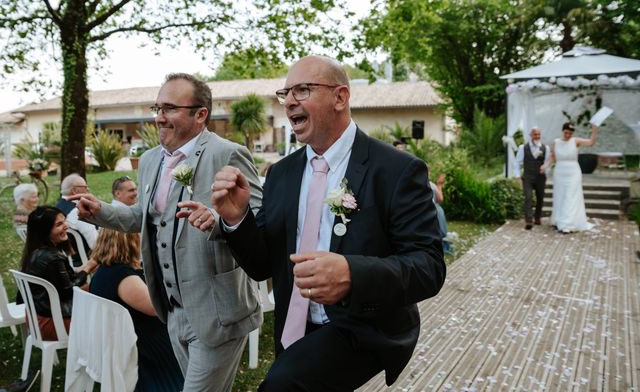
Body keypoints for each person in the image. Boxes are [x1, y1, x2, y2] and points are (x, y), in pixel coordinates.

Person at [212, 55, 446, 391]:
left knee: (279, 387)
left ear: (340, 97)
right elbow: (262, 265)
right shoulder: (281, 174)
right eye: (286, 93)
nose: (290, 100)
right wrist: (236, 219)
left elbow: (429, 267)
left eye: (303, 90)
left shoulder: (396, 170)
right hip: (293, 328)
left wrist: (352, 274)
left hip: (362, 327)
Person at [73, 73, 263, 392]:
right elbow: (143, 218)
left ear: (200, 114)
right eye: (158, 107)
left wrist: (218, 220)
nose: (160, 117)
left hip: (218, 312)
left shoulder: (226, 154)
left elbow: (259, 219)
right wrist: (101, 212)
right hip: (172, 310)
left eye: (171, 108)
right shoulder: (150, 161)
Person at [89, 228, 184, 392]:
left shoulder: (105, 270)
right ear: (130, 242)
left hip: (125, 338)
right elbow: (157, 308)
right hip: (146, 348)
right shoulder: (123, 277)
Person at [20, 206, 94, 340]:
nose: (66, 226)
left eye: (64, 221)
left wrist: (86, 268)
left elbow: (63, 281)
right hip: (52, 323)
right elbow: (69, 291)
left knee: (96, 287)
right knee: (102, 296)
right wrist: (88, 268)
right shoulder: (51, 258)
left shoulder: (35, 252)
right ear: (45, 231)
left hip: (35, 318)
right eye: (59, 224)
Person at [542, 122, 598, 233]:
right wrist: (545, 165)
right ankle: (558, 219)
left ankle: (567, 224)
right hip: (559, 172)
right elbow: (553, 158)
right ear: (563, 131)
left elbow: (591, 142)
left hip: (573, 172)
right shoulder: (556, 142)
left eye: (570, 133)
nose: (568, 135)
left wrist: (594, 129)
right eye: (566, 133)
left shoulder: (575, 141)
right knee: (560, 196)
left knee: (570, 195)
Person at [514, 126, 551, 230]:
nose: (537, 136)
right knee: (528, 197)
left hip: (540, 177)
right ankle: (529, 220)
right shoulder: (523, 148)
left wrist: (545, 170)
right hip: (528, 177)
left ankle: (538, 217)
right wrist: (517, 176)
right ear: (530, 135)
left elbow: (547, 162)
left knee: (540, 198)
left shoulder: (545, 148)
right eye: (535, 134)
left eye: (539, 134)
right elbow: (517, 163)